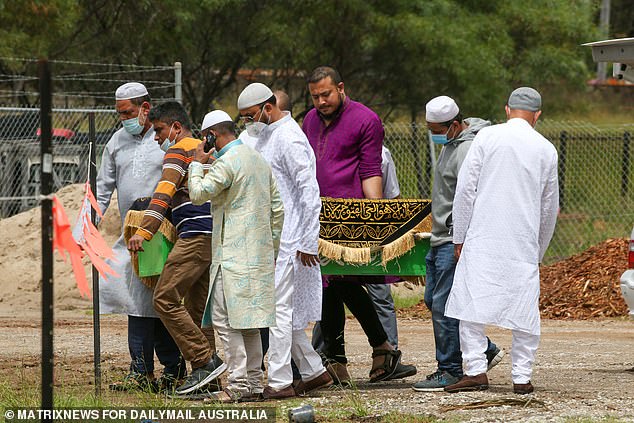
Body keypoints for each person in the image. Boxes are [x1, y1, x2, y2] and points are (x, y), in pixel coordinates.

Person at [302, 66, 416, 384]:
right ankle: (370, 352)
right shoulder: (309, 120)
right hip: (317, 213)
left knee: (339, 281)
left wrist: (374, 217)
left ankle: (352, 355)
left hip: (351, 215)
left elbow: (370, 169)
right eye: (315, 97)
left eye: (326, 94)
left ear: (340, 87)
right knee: (329, 282)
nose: (321, 101)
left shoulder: (366, 119)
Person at [443, 87, 559, 394]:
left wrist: (460, 236)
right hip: (522, 240)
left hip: (483, 235)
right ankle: (521, 377)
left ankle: (475, 370)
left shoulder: (487, 137)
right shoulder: (546, 149)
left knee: (471, 304)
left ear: (507, 109)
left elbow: (466, 191)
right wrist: (539, 248)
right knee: (524, 309)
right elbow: (550, 207)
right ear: (537, 115)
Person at [237, 83, 332, 399]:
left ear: (268, 106)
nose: (248, 122)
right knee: (283, 311)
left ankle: (279, 381)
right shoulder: (265, 134)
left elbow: (309, 192)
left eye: (251, 116)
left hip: (290, 238)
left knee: (277, 311)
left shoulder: (289, 137)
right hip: (271, 236)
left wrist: (308, 239)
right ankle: (313, 370)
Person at [126, 101, 226, 395]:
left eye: (159, 130)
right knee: (197, 312)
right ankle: (207, 383)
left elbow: (164, 192)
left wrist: (144, 231)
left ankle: (204, 361)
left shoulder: (179, 149)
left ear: (176, 127)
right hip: (214, 236)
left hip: (194, 236)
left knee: (165, 299)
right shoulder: (208, 150)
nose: (156, 137)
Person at [188, 109, 284, 403]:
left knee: (226, 322)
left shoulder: (226, 163)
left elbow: (198, 194)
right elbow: (277, 209)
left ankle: (237, 383)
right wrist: (271, 248)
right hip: (259, 256)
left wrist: (195, 164)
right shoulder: (257, 160)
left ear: (211, 136)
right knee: (250, 323)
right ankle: (254, 383)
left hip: (230, 260)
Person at [412, 96, 504, 392]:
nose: (432, 134)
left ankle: (450, 369)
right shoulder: (451, 144)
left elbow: (469, 197)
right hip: (440, 237)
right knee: (433, 300)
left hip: (453, 238)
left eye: (436, 128)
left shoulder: (465, 149)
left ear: (453, 125)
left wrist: (459, 236)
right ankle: (484, 349)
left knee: (444, 304)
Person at [95, 82, 184, 391]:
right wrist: (90, 222)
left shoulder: (165, 138)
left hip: (164, 232)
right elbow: (102, 188)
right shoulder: (115, 143)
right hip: (131, 236)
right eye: (120, 114)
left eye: (129, 113)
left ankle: (172, 369)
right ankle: (144, 371)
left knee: (157, 300)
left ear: (145, 108)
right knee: (137, 299)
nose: (124, 119)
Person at [312, 145, 401, 351]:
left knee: (371, 292)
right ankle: (327, 353)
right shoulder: (329, 152)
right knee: (332, 287)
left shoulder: (381, 153)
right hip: (336, 234)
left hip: (370, 235)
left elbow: (391, 196)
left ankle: (388, 349)